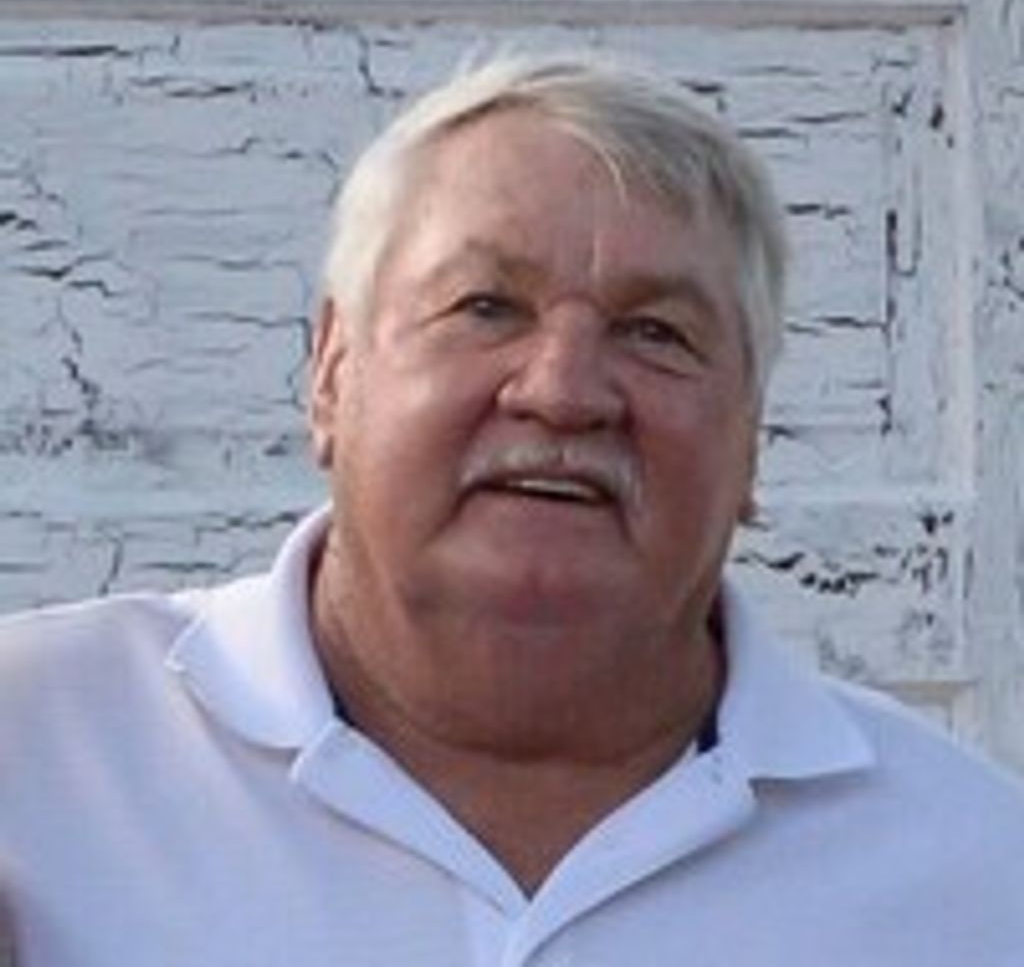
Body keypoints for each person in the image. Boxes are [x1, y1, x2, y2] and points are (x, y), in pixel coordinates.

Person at [1, 52, 1022, 966]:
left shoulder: (975, 871)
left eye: (657, 333)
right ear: (332, 374)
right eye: (485, 307)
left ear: (751, 435)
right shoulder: (36, 752)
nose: (564, 392)